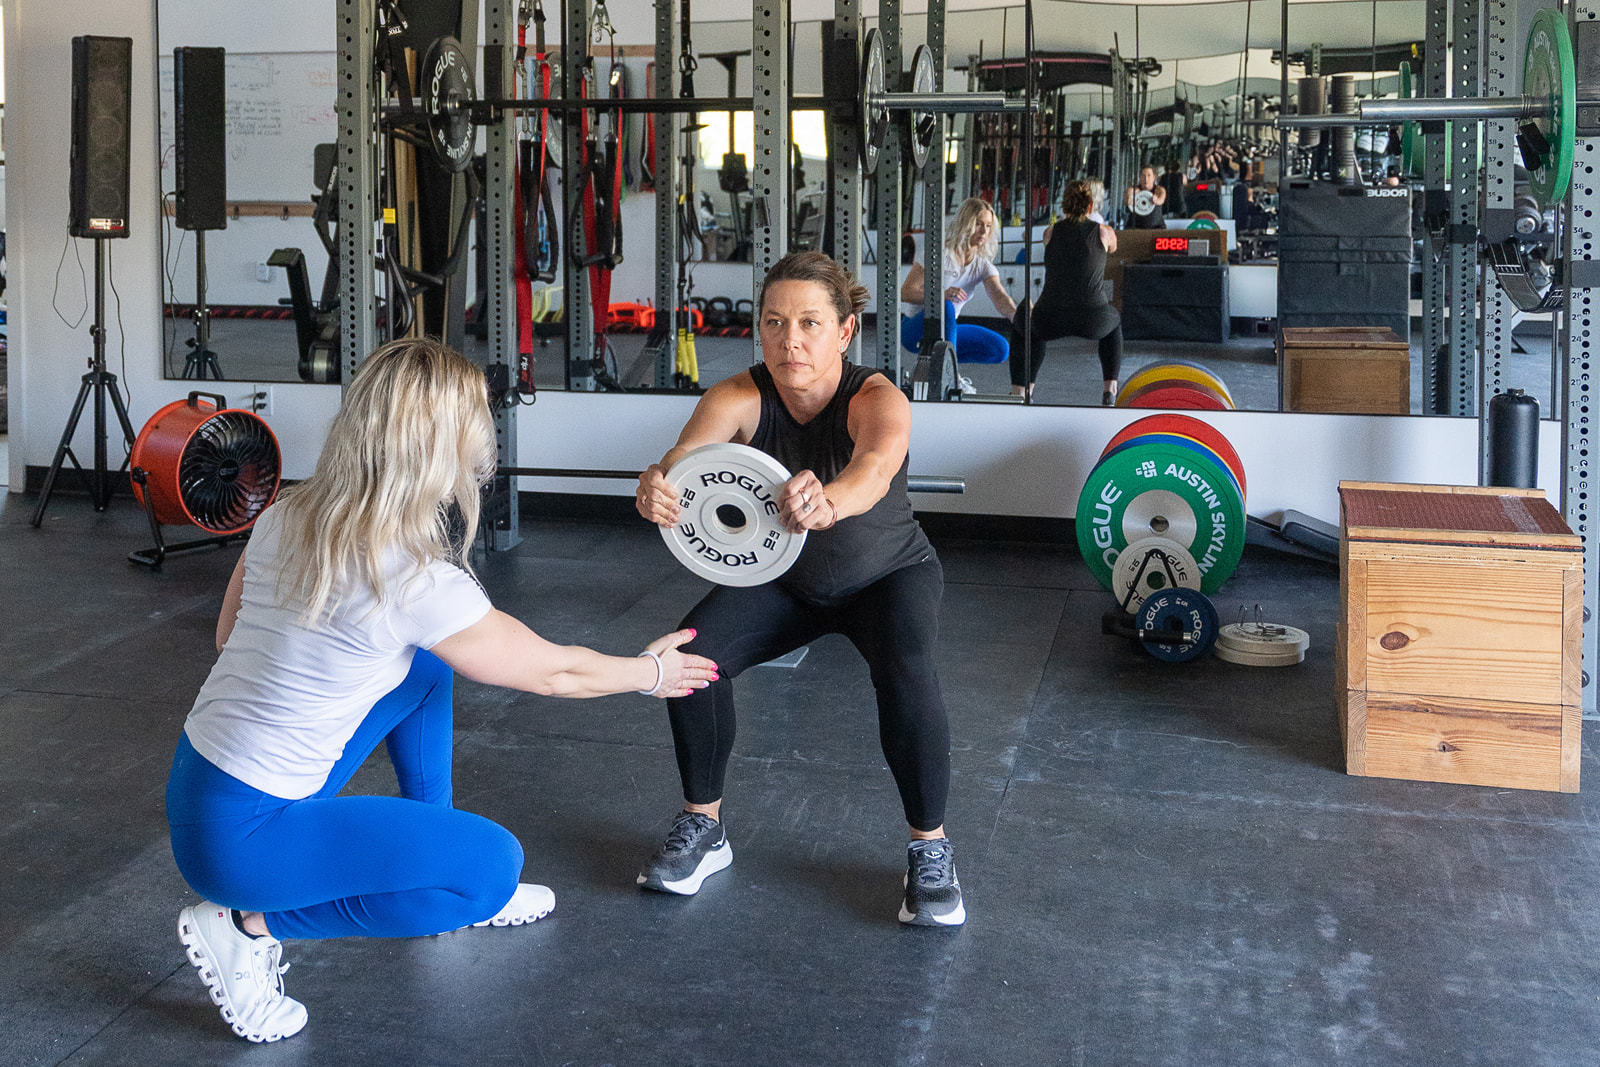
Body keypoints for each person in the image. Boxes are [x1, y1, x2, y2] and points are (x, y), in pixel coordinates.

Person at [166, 338, 719, 1043]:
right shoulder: (414, 578)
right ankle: (246, 925)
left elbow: (226, 637)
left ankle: (434, 836)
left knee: (424, 668)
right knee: (488, 869)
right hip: (242, 847)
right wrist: (652, 673)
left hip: (199, 787)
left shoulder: (287, 513)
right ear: (448, 443)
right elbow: (553, 670)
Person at [633, 250, 964, 928]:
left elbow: (873, 468)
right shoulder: (738, 396)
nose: (792, 340)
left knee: (907, 670)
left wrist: (830, 502)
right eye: (776, 322)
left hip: (887, 575)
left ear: (845, 331)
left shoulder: (877, 398)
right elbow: (685, 461)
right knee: (687, 661)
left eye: (811, 323)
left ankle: (929, 849)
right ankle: (706, 826)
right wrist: (659, 486)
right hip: (785, 581)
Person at [1010, 179, 1123, 405]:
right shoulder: (1105, 232)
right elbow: (1113, 248)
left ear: (1064, 207)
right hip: (1092, 319)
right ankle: (1110, 388)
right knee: (1114, 322)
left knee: (1027, 323)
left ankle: (1024, 390)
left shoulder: (1050, 233)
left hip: (1050, 319)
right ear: (1091, 206)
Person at [899, 197, 1018, 372]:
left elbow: (999, 295)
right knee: (945, 306)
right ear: (965, 223)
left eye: (988, 225)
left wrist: (1017, 316)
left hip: (946, 331)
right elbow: (905, 292)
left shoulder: (982, 265)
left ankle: (938, 365)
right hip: (914, 330)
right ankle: (948, 374)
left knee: (1000, 349)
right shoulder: (938, 255)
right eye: (978, 224)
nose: (984, 231)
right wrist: (940, 296)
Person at [1123, 165, 1167, 229]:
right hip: (1136, 228)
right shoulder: (1134, 190)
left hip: (1156, 228)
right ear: (1140, 177)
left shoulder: (1159, 190)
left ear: (1153, 178)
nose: (1146, 179)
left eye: (1149, 176)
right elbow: (1128, 195)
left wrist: (1156, 200)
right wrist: (1129, 198)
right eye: (1143, 176)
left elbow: (1161, 199)